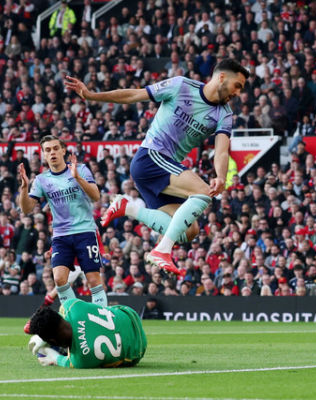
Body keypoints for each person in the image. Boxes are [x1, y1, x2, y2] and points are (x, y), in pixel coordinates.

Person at [65, 59, 249, 274]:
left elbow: (221, 150)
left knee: (189, 231)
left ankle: (129, 207)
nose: (238, 93)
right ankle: (161, 251)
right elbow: (134, 95)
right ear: (222, 77)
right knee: (202, 191)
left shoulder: (224, 114)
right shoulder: (181, 86)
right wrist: (92, 96)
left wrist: (220, 174)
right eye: (238, 85)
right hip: (151, 158)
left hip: (164, 170)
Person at [18, 136, 107, 307]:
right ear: (44, 155)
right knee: (59, 279)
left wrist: (77, 178)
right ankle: (73, 315)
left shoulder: (80, 169)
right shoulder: (42, 180)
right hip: (61, 235)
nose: (52, 152)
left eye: (55, 148)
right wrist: (24, 188)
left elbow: (96, 196)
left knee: (93, 280)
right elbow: (27, 209)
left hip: (85, 231)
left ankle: (103, 318)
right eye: (48, 150)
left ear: (63, 151)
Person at [27, 298, 147, 368]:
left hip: (138, 350)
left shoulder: (80, 359)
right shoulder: (71, 305)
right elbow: (59, 315)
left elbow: (65, 361)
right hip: (129, 314)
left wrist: (55, 358)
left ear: (52, 340)